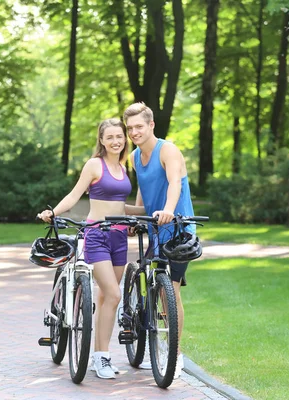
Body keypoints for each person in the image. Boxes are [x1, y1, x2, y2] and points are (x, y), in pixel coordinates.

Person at [38, 118, 131, 380]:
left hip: (120, 238)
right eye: (110, 137)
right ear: (101, 140)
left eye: (119, 136)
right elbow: (75, 194)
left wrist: (152, 212)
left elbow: (120, 206)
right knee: (114, 294)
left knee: (106, 299)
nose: (116, 141)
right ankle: (102, 358)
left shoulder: (123, 167)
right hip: (97, 236)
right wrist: (53, 211)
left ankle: (99, 356)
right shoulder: (95, 165)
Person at [123, 102, 196, 379]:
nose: (134, 132)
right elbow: (143, 201)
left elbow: (174, 184)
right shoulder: (134, 157)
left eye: (139, 127)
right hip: (155, 228)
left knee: (170, 291)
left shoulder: (168, 150)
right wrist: (124, 212)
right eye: (130, 128)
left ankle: (175, 354)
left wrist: (167, 210)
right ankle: (146, 330)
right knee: (153, 283)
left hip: (178, 229)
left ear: (151, 125)